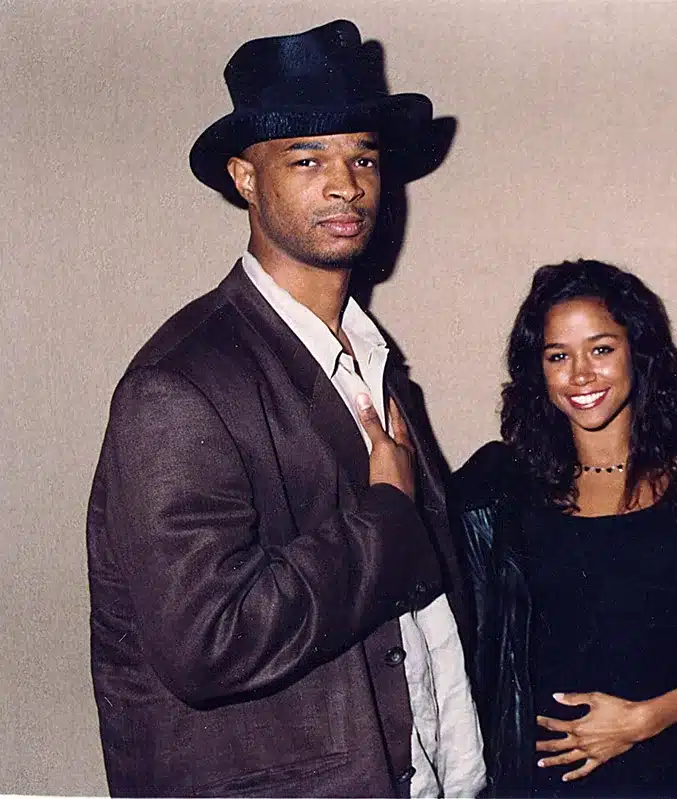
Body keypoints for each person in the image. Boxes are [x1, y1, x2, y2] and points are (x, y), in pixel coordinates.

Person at [86, 20, 484, 797]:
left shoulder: (374, 362)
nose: (346, 184)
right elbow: (209, 641)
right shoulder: (179, 385)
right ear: (244, 177)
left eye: (363, 157)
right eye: (308, 159)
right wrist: (385, 514)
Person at [454, 260, 677, 798]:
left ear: (638, 351)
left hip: (660, 777)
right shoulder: (500, 485)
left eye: (601, 349)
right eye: (558, 356)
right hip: (529, 784)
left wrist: (645, 720)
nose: (580, 375)